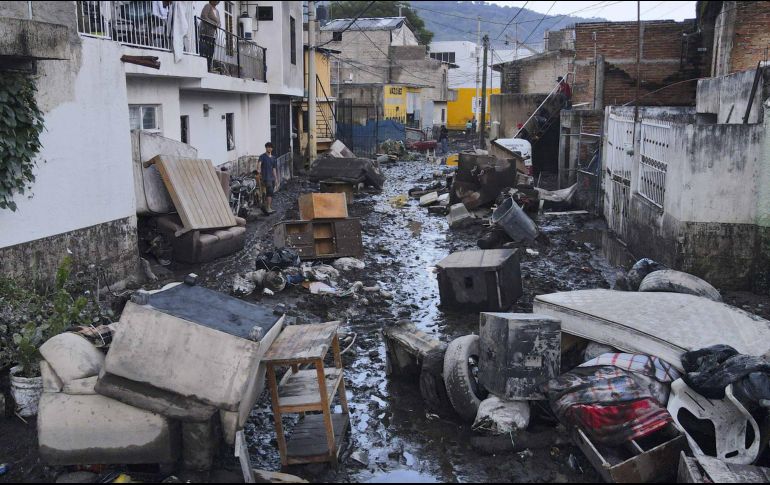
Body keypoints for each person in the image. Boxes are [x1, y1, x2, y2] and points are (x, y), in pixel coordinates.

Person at [199, 1, 220, 71]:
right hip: (205, 33)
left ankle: (208, 68)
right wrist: (213, 23)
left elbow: (219, 22)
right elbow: (203, 16)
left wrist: (218, 25)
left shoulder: (217, 11)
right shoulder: (208, 6)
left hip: (212, 35)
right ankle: (203, 68)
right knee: (204, 51)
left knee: (210, 53)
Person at [258, 142, 278, 214]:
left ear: (272, 149)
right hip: (265, 178)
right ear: (266, 148)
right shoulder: (262, 156)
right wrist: (259, 171)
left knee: (270, 193)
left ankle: (267, 207)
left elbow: (274, 169)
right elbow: (259, 164)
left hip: (272, 178)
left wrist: (276, 179)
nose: (269, 148)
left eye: (270, 147)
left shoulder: (273, 158)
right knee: (269, 192)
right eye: (268, 147)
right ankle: (268, 208)